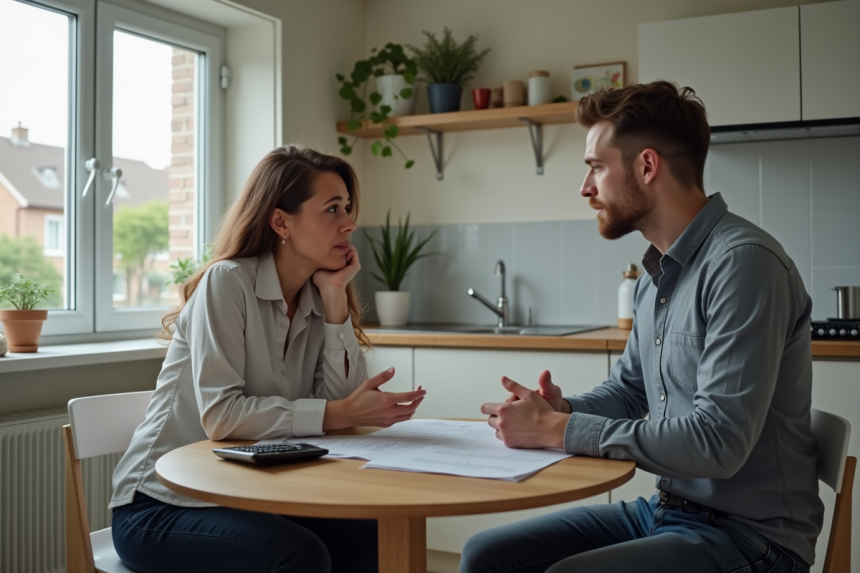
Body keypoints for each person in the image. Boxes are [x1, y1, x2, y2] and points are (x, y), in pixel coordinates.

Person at [461, 81, 822, 573]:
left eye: (595, 167)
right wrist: (562, 409)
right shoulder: (655, 275)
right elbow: (631, 392)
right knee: (486, 556)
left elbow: (718, 445)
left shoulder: (744, 265)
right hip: (668, 512)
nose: (586, 188)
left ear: (647, 166)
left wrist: (561, 430)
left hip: (752, 538)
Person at [109, 145, 426, 573]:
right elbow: (222, 417)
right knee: (300, 556)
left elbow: (344, 409)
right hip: (162, 504)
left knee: (370, 532)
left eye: (347, 208)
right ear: (281, 222)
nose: (349, 223)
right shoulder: (228, 283)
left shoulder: (317, 295)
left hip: (248, 497)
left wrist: (335, 299)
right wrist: (335, 413)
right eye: (332, 209)